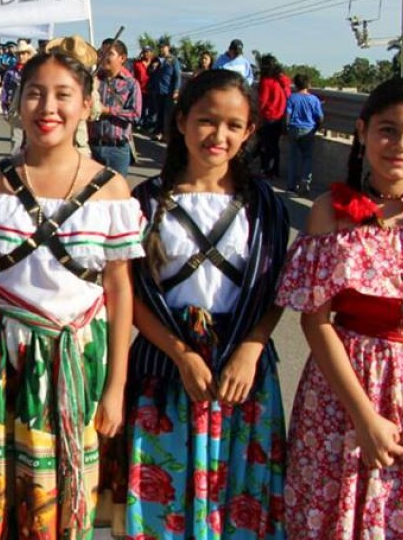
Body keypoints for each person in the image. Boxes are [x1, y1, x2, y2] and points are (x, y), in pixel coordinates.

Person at [0, 49, 145, 539]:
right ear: (16, 101)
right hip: (1, 360)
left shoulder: (111, 190)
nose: (47, 107)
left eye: (62, 95)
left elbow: (119, 291)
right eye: (34, 93)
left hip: (78, 361)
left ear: (86, 105)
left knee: (63, 496)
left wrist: (116, 387)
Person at [275, 77, 403, 539]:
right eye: (387, 129)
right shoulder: (329, 212)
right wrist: (362, 414)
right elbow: (315, 321)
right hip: (343, 397)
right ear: (362, 131)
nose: (401, 144)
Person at [121, 69, 290, 540]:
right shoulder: (145, 200)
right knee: (162, 499)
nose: (219, 135)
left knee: (239, 499)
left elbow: (278, 288)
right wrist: (181, 354)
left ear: (250, 132)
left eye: (234, 125)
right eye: (206, 121)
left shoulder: (266, 206)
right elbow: (129, 293)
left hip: (244, 372)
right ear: (181, 122)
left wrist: (251, 349)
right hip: (165, 367)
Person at [88, 39, 142, 176]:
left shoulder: (131, 84)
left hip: (117, 149)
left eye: (109, 53)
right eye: (101, 53)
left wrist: (108, 110)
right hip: (92, 146)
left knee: (116, 194)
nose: (104, 57)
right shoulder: (92, 81)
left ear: (122, 58)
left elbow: (135, 114)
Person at [284, 74, 324, 195]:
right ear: (308, 85)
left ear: (296, 85)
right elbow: (320, 117)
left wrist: (287, 127)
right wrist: (317, 128)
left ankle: (291, 186)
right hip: (308, 130)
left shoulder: (292, 98)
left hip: (294, 128)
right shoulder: (314, 99)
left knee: (292, 158)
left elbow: (287, 115)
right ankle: (304, 181)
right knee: (307, 157)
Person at [256, 55, 291, 180]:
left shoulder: (267, 82)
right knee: (275, 146)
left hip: (269, 117)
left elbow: (262, 102)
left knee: (266, 145)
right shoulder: (283, 81)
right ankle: (275, 170)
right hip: (281, 117)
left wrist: (256, 116)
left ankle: (266, 170)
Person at [148, 41, 182, 140]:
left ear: (168, 48)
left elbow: (177, 76)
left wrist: (176, 90)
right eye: (160, 47)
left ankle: (167, 134)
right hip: (157, 90)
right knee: (159, 113)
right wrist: (153, 67)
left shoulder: (173, 60)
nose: (162, 49)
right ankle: (159, 132)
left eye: (164, 47)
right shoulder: (156, 59)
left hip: (168, 90)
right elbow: (149, 72)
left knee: (168, 114)